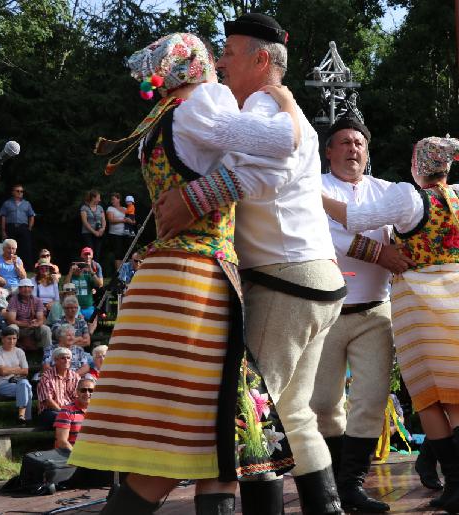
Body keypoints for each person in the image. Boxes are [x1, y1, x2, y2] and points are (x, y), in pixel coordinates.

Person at [69, 32, 303, 515]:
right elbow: (283, 143)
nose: (220, 64)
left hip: (164, 276)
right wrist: (283, 96)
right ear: (194, 67)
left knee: (213, 438)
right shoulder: (201, 107)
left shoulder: (160, 119)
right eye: (211, 58)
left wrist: (200, 194)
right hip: (194, 281)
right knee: (185, 433)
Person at [153, 17, 348, 514]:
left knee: (251, 411)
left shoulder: (265, 105)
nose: (220, 61)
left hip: (286, 277)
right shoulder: (279, 106)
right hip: (313, 277)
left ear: (261, 60)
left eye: (231, 53)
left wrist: (194, 197)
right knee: (293, 413)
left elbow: (273, 169)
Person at [321, 136, 459, 513]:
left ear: (416, 164)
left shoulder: (407, 196)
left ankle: (457, 478)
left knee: (427, 392)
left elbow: (355, 220)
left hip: (421, 302)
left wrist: (314, 195)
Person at [313, 116, 410, 513]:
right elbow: (325, 236)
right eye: (345, 142)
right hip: (324, 310)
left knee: (370, 400)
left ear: (367, 152)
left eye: (359, 143)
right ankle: (332, 481)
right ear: (329, 151)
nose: (353, 148)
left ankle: (351, 485)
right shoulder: (313, 188)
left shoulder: (387, 192)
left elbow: (408, 230)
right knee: (322, 403)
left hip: (375, 310)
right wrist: (379, 252)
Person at [0, 327, 32, 424]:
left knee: (24, 384)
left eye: (14, 338)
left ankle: (22, 417)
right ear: (2, 339)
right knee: (27, 388)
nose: (12, 341)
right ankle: (27, 418)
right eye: (9, 338)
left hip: (18, 382)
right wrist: (17, 369)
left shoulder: (20, 352)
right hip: (1, 383)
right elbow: (1, 372)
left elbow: (25, 371)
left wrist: (8, 369)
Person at [37, 346, 79, 429]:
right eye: (63, 358)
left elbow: (78, 397)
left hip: (70, 410)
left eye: (68, 358)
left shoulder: (75, 376)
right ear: (55, 360)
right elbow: (48, 401)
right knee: (65, 418)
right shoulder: (46, 377)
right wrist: (63, 412)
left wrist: (74, 412)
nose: (66, 360)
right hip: (51, 411)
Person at [5, 278, 52, 350]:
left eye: (28, 287)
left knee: (46, 329)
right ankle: (10, 351)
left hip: (33, 328)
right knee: (12, 327)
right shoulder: (13, 300)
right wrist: (27, 324)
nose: (26, 289)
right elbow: (11, 320)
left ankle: (48, 353)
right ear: (19, 289)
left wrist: (37, 323)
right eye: (24, 287)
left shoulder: (37, 300)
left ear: (32, 288)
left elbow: (41, 319)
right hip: (19, 329)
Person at [55, 377, 95, 450]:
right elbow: (62, 441)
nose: (87, 393)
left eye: (91, 390)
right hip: (71, 456)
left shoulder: (98, 411)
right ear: (77, 392)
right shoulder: (66, 411)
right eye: (83, 390)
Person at [0, 184, 35, 265]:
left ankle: (26, 267)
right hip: (10, 227)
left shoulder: (27, 203)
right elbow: (3, 217)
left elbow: (31, 216)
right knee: (10, 247)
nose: (20, 193)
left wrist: (29, 228)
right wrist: (3, 230)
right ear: (13, 192)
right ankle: (9, 265)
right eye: (17, 191)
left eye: (21, 191)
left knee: (25, 247)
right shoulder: (7, 203)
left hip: (23, 228)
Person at [64, 247, 103, 321]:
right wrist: (70, 272)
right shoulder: (71, 277)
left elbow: (99, 284)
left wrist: (91, 271)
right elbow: (65, 286)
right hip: (74, 308)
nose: (79, 268)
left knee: (94, 319)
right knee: (77, 319)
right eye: (78, 266)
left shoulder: (88, 276)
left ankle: (89, 333)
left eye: (81, 266)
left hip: (88, 307)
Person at [106, 192, 132, 270]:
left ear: (119, 199)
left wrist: (130, 220)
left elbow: (132, 219)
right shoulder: (110, 208)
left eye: (113, 199)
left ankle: (128, 273)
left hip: (125, 234)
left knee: (127, 253)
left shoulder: (125, 209)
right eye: (111, 200)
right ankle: (119, 275)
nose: (112, 201)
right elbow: (111, 220)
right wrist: (124, 220)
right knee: (118, 254)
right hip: (115, 234)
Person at [80, 189, 106, 259]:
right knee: (89, 253)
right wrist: (94, 232)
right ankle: (88, 268)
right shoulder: (84, 208)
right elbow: (85, 222)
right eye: (98, 198)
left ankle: (96, 269)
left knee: (97, 253)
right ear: (93, 198)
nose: (100, 200)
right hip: (88, 233)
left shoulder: (100, 207)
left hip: (99, 233)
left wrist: (102, 229)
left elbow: (103, 219)